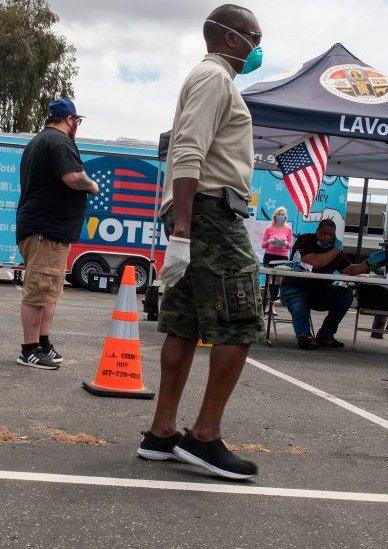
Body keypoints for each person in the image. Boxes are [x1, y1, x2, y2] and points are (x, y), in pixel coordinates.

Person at [137, 4, 264, 480]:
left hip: (196, 212)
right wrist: (185, 232)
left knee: (186, 322)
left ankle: (162, 432)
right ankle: (205, 437)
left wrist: (181, 229)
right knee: (241, 318)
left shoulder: (208, 78)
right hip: (211, 211)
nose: (258, 50)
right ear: (233, 39)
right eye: (254, 39)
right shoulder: (216, 79)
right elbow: (188, 149)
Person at [14, 98, 99, 370]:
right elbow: (73, 178)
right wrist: (92, 185)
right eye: (77, 121)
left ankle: (43, 344)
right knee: (38, 290)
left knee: (49, 291)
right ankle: (29, 349)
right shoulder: (59, 142)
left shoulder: (40, 142)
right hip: (45, 230)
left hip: (48, 229)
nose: (77, 126)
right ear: (70, 119)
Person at [279, 219, 371, 350]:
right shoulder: (305, 240)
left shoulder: (335, 249)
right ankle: (304, 336)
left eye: (330, 235)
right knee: (299, 304)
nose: (326, 237)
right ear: (317, 232)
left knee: (345, 295)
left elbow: (350, 270)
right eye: (323, 233)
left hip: (319, 291)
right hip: (294, 288)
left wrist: (369, 263)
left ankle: (326, 335)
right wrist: (335, 251)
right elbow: (313, 262)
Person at [261, 206, 292, 304]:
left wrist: (285, 243)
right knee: (270, 280)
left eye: (283, 214)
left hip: (282, 258)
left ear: (285, 217)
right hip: (269, 256)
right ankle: (270, 304)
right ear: (275, 215)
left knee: (278, 280)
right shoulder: (269, 228)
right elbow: (263, 245)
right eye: (279, 214)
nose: (281, 216)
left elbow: (290, 246)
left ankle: (273, 302)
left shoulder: (288, 229)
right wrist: (269, 241)